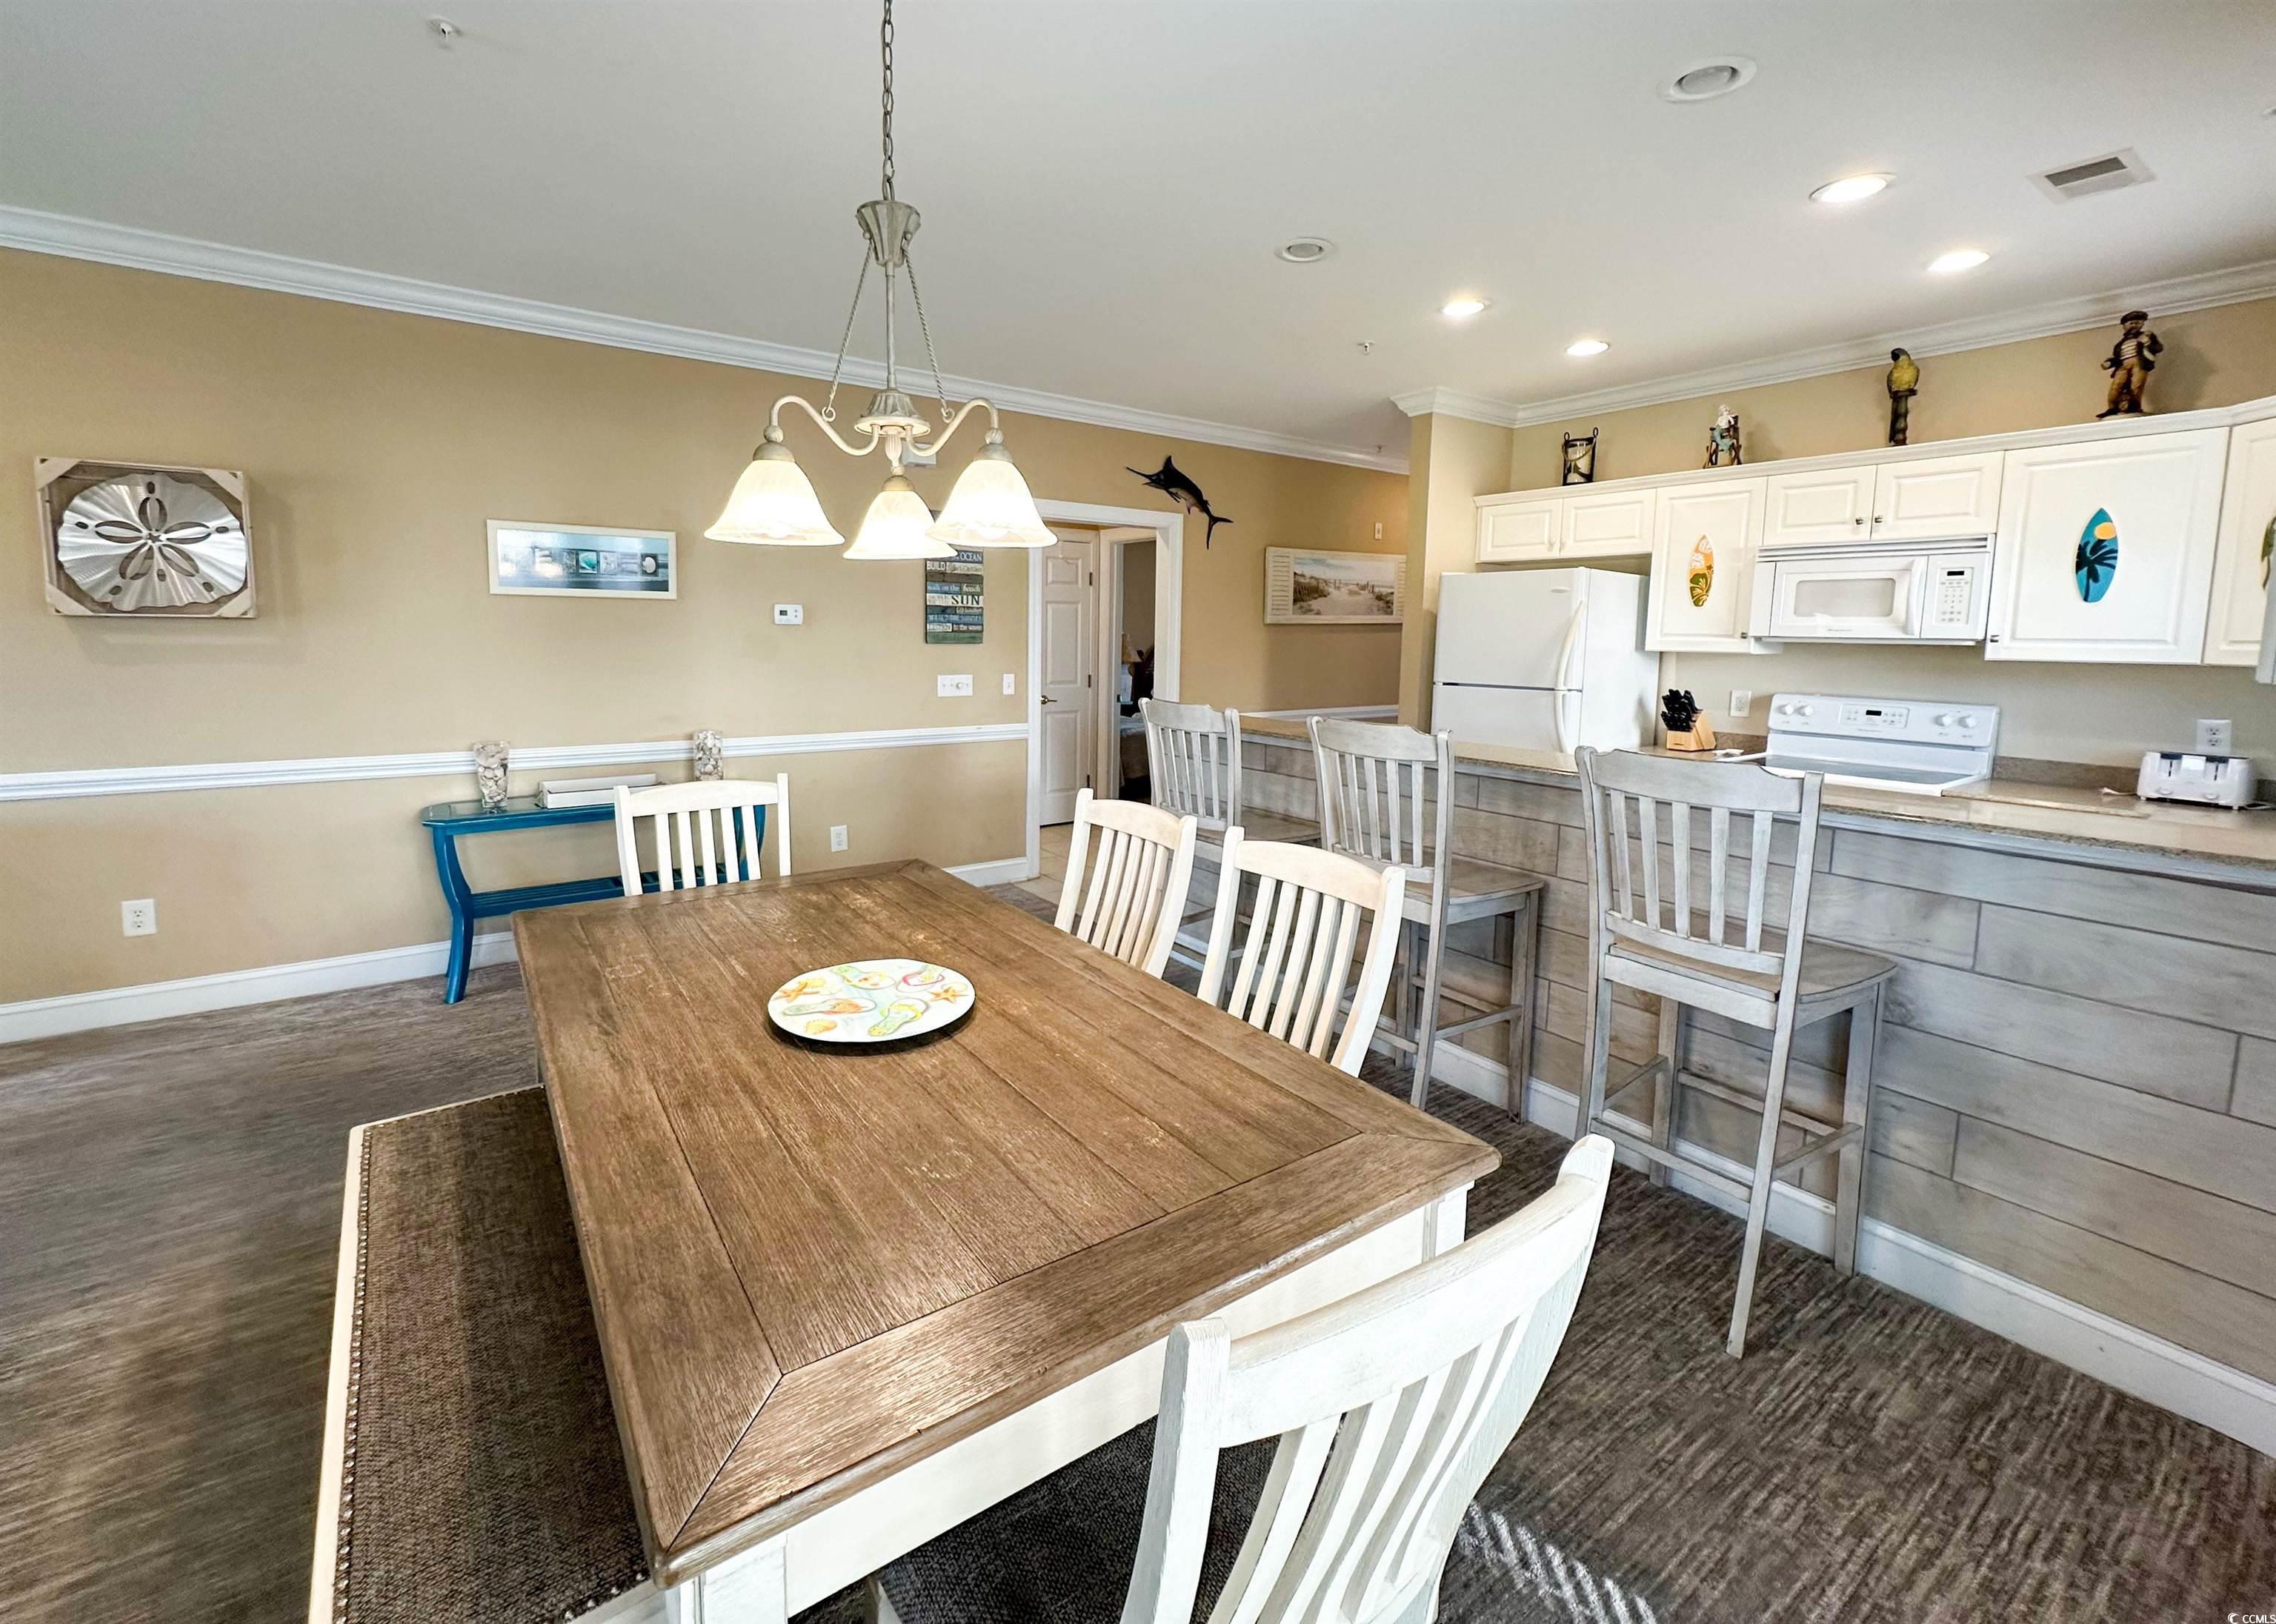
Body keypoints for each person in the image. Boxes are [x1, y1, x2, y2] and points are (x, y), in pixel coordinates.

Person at [2099, 310, 2162, 417]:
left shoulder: (2146, 336)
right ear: (2125, 326)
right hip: (2124, 365)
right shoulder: (2122, 343)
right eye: (2131, 323)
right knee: (2116, 386)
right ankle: (2113, 407)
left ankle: (2134, 407)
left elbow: (2158, 348)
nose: (2134, 326)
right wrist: (2109, 363)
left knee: (2136, 386)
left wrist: (2147, 343)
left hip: (2139, 363)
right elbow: (2118, 357)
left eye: (2137, 323)